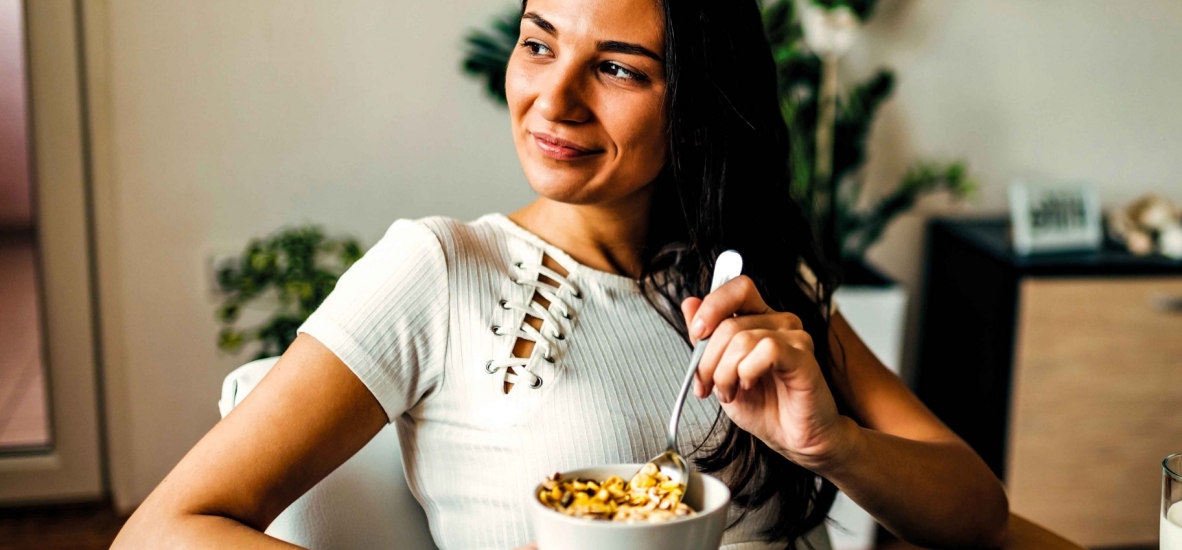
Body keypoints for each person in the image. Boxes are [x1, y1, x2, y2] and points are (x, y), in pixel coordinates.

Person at [111, 0, 1007, 548]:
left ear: (700, 101)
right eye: (539, 43)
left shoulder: (761, 288)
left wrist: (831, 447)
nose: (555, 98)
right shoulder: (441, 271)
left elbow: (976, 511)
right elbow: (162, 531)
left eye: (616, 67)